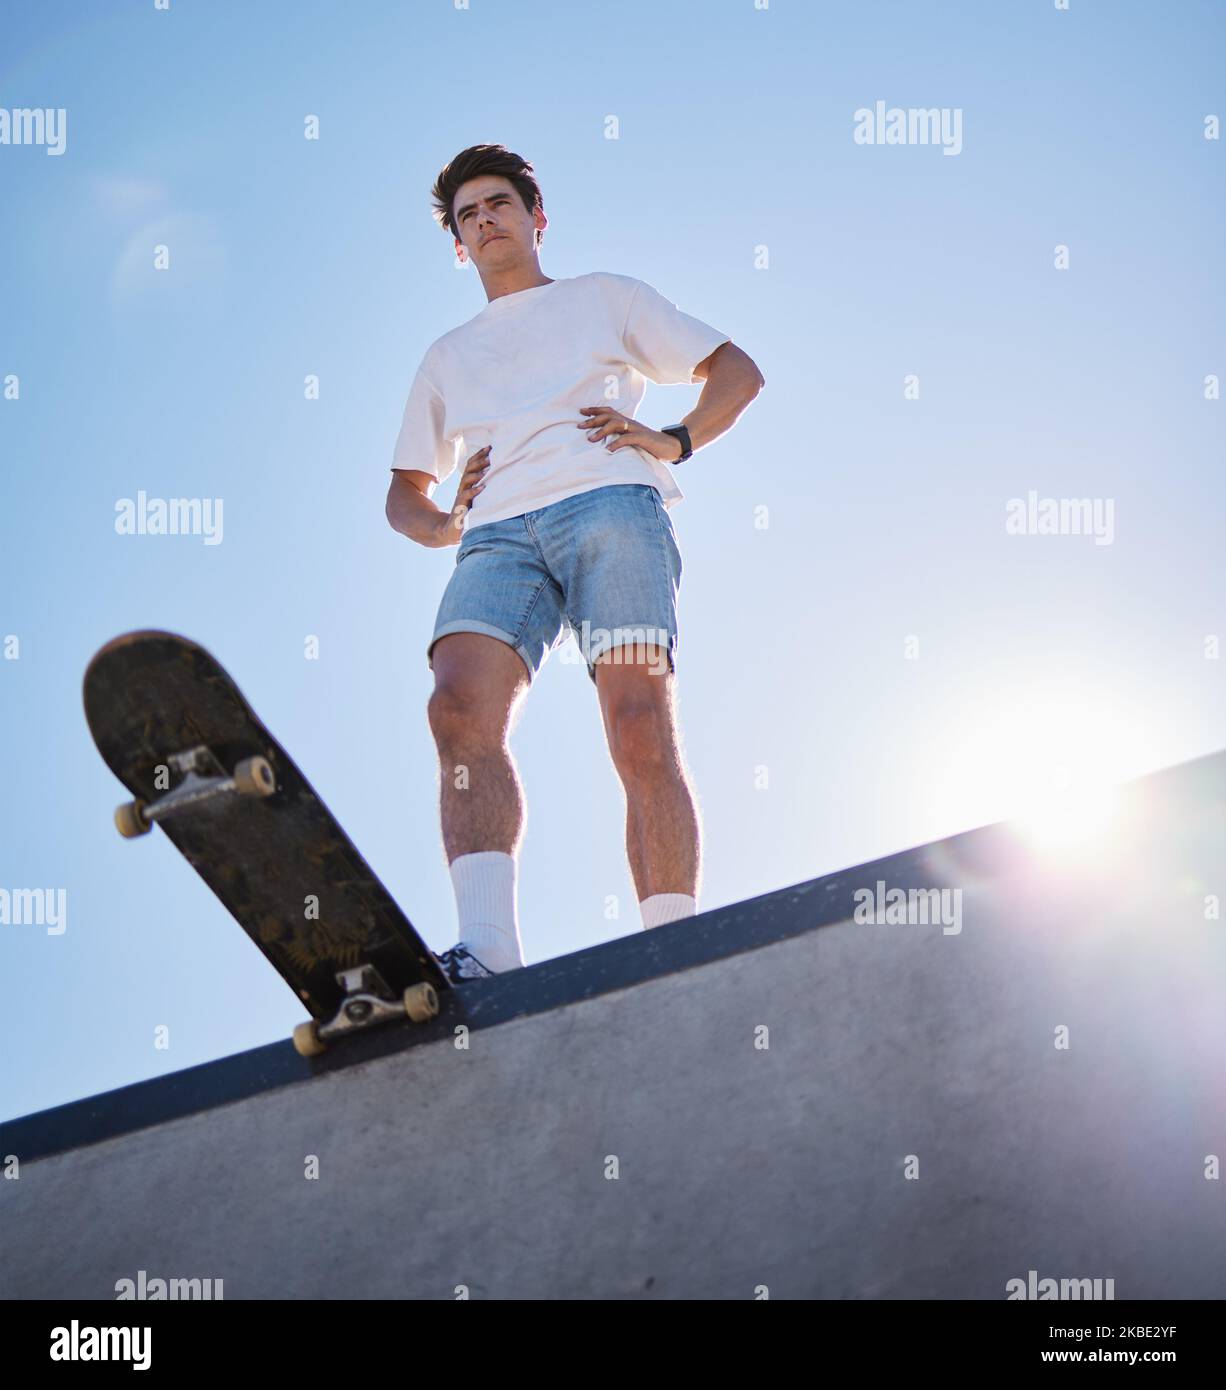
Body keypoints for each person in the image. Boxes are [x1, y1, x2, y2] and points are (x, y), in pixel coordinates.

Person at [386, 144, 765, 981]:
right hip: (497, 538)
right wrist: (451, 521)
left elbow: (738, 372)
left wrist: (675, 439)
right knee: (455, 712)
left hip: (610, 510)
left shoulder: (606, 297)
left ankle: (670, 943)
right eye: (468, 216)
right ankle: (486, 950)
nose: (484, 221)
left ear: (535, 218)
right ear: (457, 243)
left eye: (498, 205)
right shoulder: (447, 356)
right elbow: (401, 496)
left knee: (637, 727)